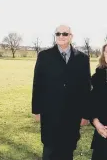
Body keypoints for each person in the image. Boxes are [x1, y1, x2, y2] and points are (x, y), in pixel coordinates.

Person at [31, 24, 91, 160]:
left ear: (71, 36)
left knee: (68, 150)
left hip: (72, 114)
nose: (61, 36)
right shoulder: (44, 56)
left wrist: (85, 114)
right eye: (58, 34)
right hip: (50, 113)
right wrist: (37, 110)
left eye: (65, 34)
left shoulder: (82, 58)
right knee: (50, 150)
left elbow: (86, 87)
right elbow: (37, 84)